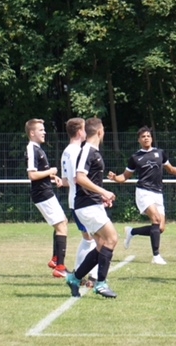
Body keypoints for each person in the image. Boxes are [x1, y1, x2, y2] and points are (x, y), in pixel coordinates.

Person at [108, 126, 176, 265]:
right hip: (143, 191)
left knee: (160, 228)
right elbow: (125, 176)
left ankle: (132, 232)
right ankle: (156, 256)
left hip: (158, 192)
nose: (146, 138)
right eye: (143, 136)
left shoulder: (160, 153)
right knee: (155, 219)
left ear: (152, 138)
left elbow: (172, 170)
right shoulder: (135, 157)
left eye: (148, 136)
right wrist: (115, 178)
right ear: (139, 140)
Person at [66, 118, 119, 298]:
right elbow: (80, 178)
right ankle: (101, 284)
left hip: (91, 204)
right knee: (112, 238)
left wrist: (100, 197)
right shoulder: (87, 150)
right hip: (87, 207)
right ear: (100, 132)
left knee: (102, 244)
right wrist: (103, 191)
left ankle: (74, 278)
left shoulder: (93, 151)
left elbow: (88, 181)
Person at [25, 118, 69, 278]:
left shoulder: (38, 149)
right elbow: (32, 175)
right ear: (32, 133)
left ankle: (56, 259)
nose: (44, 132)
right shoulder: (32, 148)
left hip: (45, 191)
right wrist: (51, 171)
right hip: (42, 194)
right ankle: (60, 268)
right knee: (61, 227)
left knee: (63, 222)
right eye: (41, 130)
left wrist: (52, 176)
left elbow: (39, 173)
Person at [60, 117, 97, 286]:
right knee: (97, 239)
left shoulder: (66, 151)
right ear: (80, 131)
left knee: (89, 238)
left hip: (74, 201)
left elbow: (66, 180)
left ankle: (79, 275)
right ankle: (89, 277)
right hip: (82, 201)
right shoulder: (78, 152)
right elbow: (78, 179)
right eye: (84, 129)